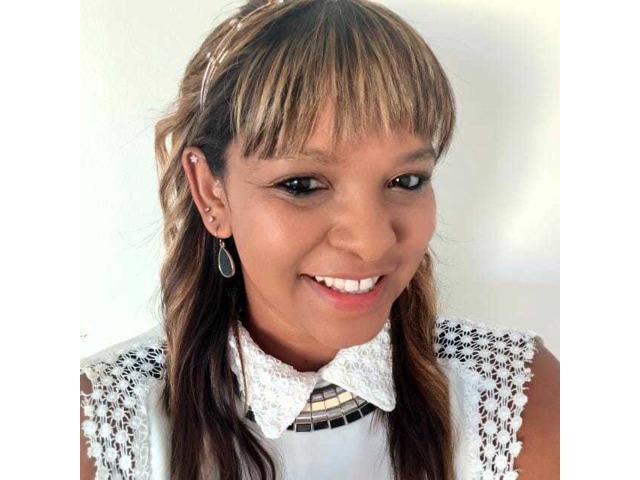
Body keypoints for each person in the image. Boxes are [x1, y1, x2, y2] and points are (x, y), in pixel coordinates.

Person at [80, 0, 560, 478]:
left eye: (406, 180)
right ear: (211, 192)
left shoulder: (513, 395)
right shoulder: (101, 425)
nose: (372, 243)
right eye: (302, 185)